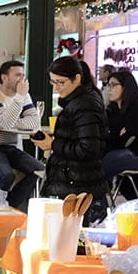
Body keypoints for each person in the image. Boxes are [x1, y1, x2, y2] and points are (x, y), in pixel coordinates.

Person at [32, 56, 108, 224]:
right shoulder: (78, 102)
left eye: (61, 82)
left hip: (79, 184)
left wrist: (53, 144)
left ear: (77, 79)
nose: (57, 88)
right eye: (53, 83)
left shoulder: (84, 105)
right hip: (74, 180)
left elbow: (89, 148)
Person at [0, 60, 45, 211]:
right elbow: (7, 121)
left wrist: (3, 125)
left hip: (11, 147)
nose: (21, 80)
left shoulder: (23, 95)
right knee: (6, 175)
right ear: (4, 78)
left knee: (39, 170)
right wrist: (19, 98)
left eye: (23, 75)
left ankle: (9, 206)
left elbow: (34, 123)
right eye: (17, 75)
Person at [102, 69, 138, 184]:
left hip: (137, 155)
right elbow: (109, 136)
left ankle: (98, 201)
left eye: (113, 85)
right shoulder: (112, 111)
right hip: (118, 151)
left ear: (125, 87)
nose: (109, 89)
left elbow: (127, 140)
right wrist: (117, 136)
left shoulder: (137, 109)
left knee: (102, 165)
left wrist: (117, 137)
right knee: (93, 163)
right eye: (108, 85)